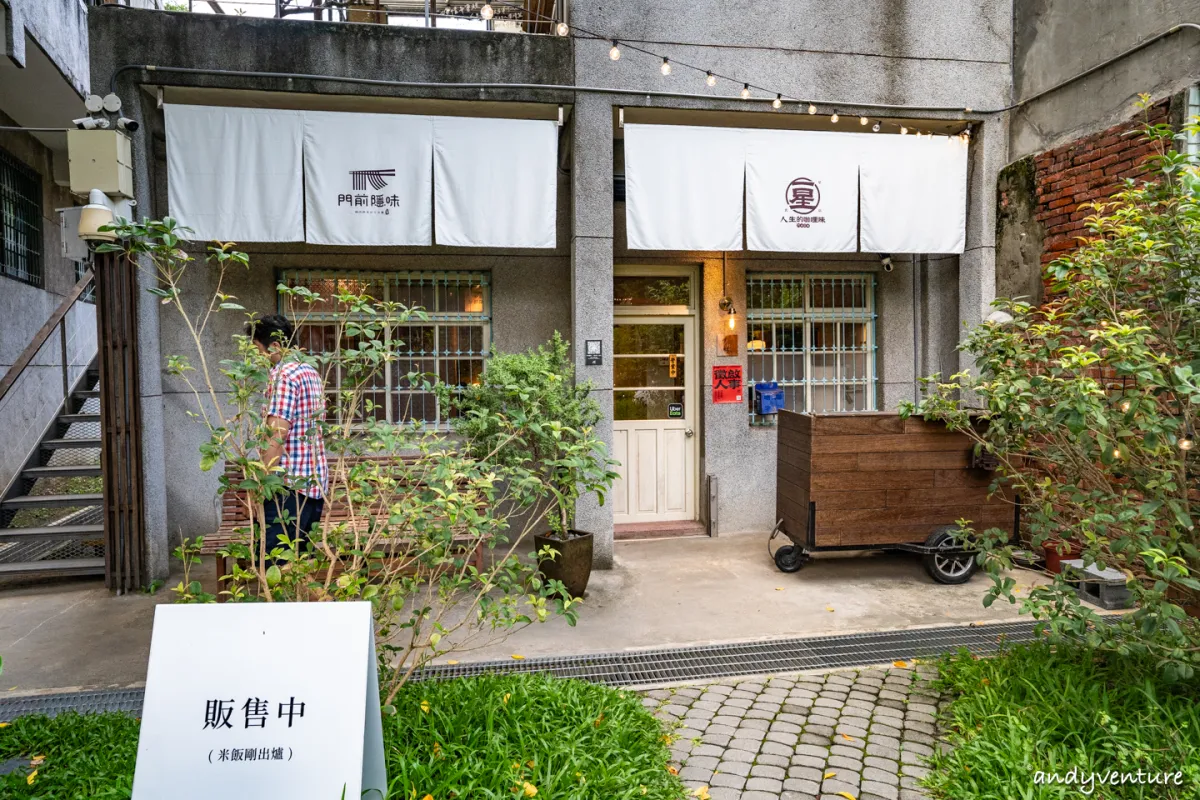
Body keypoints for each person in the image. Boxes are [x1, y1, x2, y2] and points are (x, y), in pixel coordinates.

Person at [245, 314, 328, 560]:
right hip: (312, 486)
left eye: (257, 349)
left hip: (286, 488)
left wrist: (261, 487)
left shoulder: (283, 376)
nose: (257, 357)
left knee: (277, 565)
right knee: (300, 563)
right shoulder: (309, 371)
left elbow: (275, 435)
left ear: (275, 346)